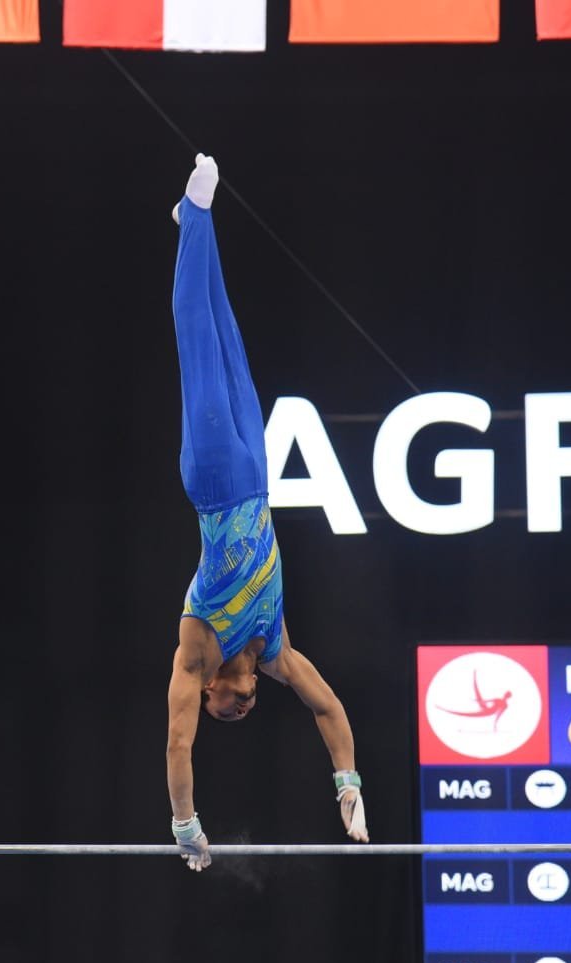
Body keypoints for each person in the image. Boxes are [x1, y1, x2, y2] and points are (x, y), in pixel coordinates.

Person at [164, 154, 369, 872]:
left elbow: (179, 744)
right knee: (227, 332)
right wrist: (348, 782)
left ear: (216, 685)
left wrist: (185, 822)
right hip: (260, 476)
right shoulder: (276, 649)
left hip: (217, 480)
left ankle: (194, 214)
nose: (238, 709)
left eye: (227, 707)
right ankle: (199, 225)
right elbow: (329, 710)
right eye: (241, 710)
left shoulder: (197, 650)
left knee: (196, 342)